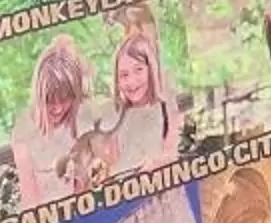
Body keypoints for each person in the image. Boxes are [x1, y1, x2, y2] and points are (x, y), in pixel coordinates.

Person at [9, 37, 93, 205]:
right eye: (50, 100)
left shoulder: (83, 121)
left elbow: (86, 189)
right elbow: (30, 200)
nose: (58, 108)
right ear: (39, 94)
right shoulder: (24, 132)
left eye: (65, 99)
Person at [109, 26, 182, 170]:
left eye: (138, 70)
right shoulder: (120, 116)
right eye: (124, 75)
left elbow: (173, 152)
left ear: (151, 69)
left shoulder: (165, 109)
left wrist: (156, 163)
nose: (131, 82)